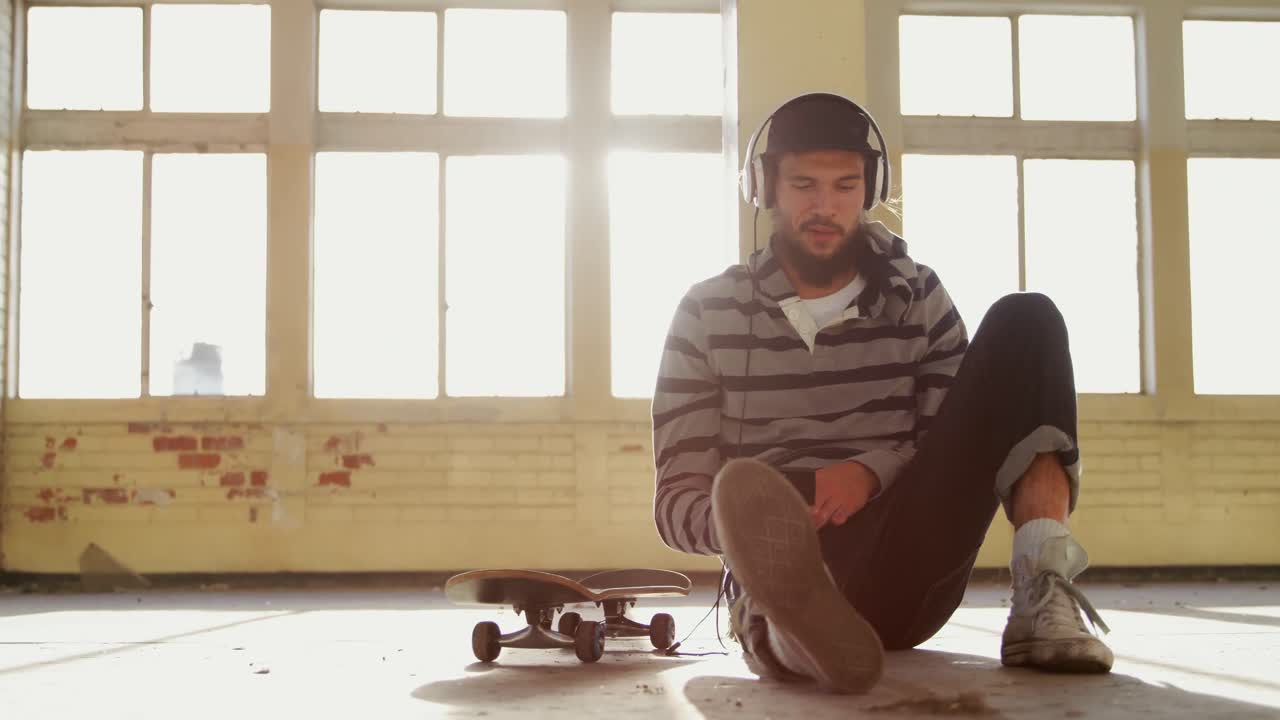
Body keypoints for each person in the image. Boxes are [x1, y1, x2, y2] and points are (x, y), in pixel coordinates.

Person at [650, 92, 1113, 694]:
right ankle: (781, 624)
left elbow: (949, 444)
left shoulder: (919, 297)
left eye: (845, 186)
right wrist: (761, 525)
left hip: (907, 558)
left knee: (1028, 319)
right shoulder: (706, 312)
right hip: (783, 566)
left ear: (869, 192)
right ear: (765, 188)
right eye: (804, 185)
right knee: (769, 534)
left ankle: (1043, 589)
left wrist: (869, 472)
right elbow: (674, 501)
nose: (825, 206)